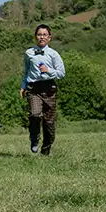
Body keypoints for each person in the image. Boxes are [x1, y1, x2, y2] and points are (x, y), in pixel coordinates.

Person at [20, 24, 65, 154]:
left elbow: (61, 73)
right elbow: (26, 71)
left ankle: (46, 149)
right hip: (33, 88)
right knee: (34, 114)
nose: (42, 37)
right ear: (35, 37)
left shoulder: (54, 55)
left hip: (49, 89)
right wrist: (23, 86)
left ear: (49, 38)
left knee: (49, 123)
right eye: (39, 34)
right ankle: (34, 138)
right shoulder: (29, 53)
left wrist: (48, 70)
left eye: (44, 35)